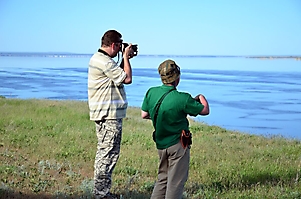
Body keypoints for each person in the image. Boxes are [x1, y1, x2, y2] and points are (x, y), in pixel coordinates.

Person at [141, 59, 210, 199]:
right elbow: (205, 110)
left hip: (161, 144)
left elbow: (144, 114)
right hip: (178, 145)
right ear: (177, 78)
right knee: (175, 184)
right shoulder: (182, 98)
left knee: (162, 179)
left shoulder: (151, 92)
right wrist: (201, 97)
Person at [88, 29, 135, 199]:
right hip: (109, 115)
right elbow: (127, 79)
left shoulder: (100, 59)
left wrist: (124, 58)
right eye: (120, 45)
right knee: (108, 154)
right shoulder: (104, 61)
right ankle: (101, 194)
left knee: (105, 152)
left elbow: (118, 76)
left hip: (104, 113)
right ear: (115, 45)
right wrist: (127, 58)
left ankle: (101, 192)